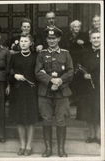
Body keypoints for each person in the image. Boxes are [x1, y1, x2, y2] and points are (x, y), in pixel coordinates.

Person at [35, 27, 74, 157]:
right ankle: (48, 149)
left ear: (59, 39)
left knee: (61, 120)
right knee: (46, 120)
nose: (51, 41)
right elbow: (38, 72)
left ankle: (61, 150)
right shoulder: (41, 54)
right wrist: (52, 81)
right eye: (49, 38)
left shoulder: (65, 53)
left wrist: (59, 81)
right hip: (45, 92)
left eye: (54, 38)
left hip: (61, 92)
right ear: (46, 39)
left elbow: (70, 71)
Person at [7, 33, 38, 156]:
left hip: (31, 92)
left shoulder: (36, 57)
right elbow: (8, 73)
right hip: (18, 91)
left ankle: (29, 146)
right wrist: (15, 76)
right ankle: (22, 145)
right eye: (21, 41)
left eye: (25, 41)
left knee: (30, 120)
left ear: (30, 43)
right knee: (19, 119)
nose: (23, 43)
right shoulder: (14, 57)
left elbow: (39, 74)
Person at [76, 30, 100, 144]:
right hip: (88, 87)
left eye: (98, 37)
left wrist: (95, 76)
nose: (96, 40)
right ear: (90, 40)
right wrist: (84, 74)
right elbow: (79, 67)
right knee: (89, 111)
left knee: (99, 111)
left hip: (100, 87)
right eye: (94, 38)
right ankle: (91, 135)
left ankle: (99, 135)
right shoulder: (85, 52)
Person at [64, 20, 89, 105]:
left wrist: (83, 42)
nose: (77, 28)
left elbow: (87, 45)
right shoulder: (68, 35)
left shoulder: (84, 35)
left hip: (81, 59)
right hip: (71, 59)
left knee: (79, 78)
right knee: (71, 78)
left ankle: (78, 100)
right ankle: (72, 99)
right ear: (72, 28)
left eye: (78, 26)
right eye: (75, 27)